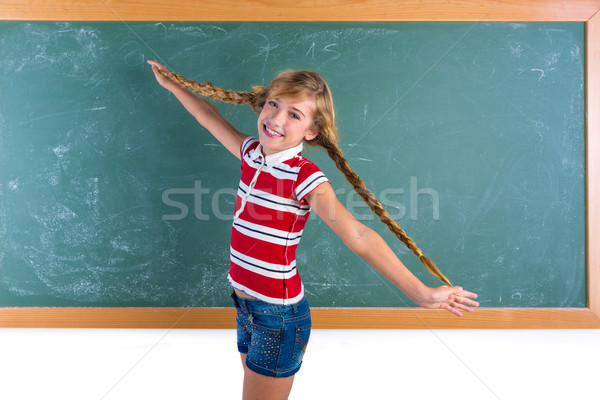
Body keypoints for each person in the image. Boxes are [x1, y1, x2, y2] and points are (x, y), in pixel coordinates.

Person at [147, 60, 479, 400]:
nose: (276, 119)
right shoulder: (251, 153)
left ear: (311, 131)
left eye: (294, 114)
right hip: (246, 308)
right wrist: (173, 85)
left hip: (278, 316)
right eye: (274, 104)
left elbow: (358, 235)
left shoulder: (304, 177)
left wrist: (421, 293)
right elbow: (208, 117)